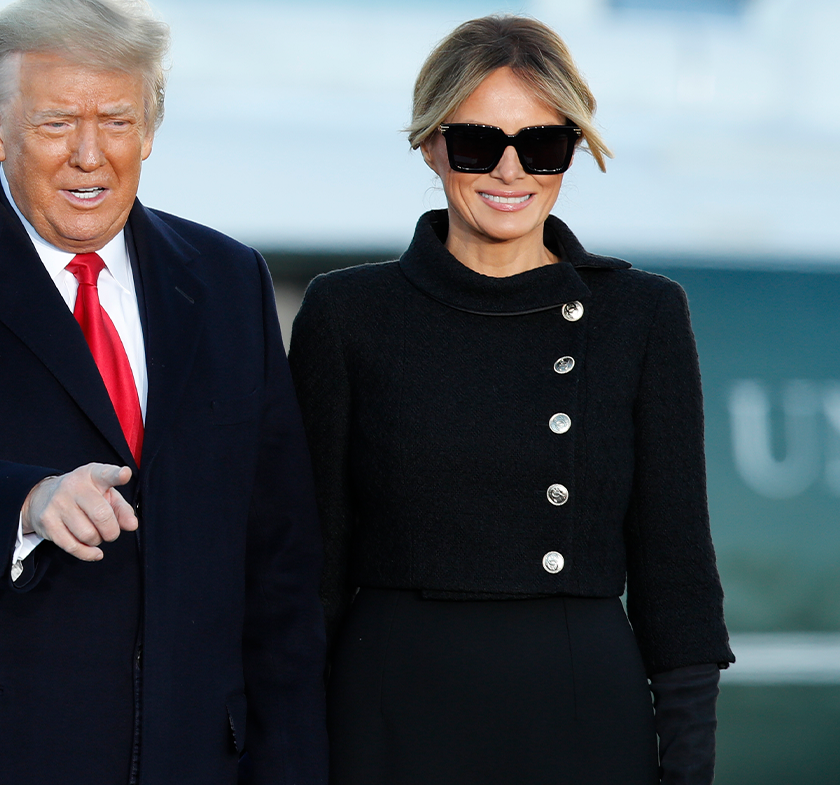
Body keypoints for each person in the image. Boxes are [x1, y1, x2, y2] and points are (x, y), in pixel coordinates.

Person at [0, 1, 327, 782]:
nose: (91, 155)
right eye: (57, 124)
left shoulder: (227, 280)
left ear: (150, 129)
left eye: (116, 121)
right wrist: (27, 500)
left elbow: (278, 556)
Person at [289, 14, 733, 785]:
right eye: (475, 142)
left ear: (572, 151)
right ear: (430, 143)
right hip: (390, 708)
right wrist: (287, 750)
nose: (508, 170)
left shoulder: (641, 316)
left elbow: (677, 567)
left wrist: (687, 763)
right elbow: (310, 566)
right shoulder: (347, 313)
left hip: (577, 708)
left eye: (541, 145)